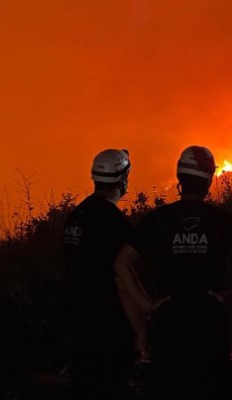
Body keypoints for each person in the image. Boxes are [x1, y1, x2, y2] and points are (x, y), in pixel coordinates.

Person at [114, 145, 232, 400]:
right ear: (208, 180)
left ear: (180, 179)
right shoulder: (221, 219)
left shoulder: (159, 219)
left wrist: (148, 305)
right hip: (211, 326)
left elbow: (121, 263)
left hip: (168, 326)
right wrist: (229, 298)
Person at [62, 149, 146, 400]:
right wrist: (141, 329)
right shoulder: (113, 221)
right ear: (122, 179)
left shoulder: (76, 215)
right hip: (108, 327)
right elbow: (122, 281)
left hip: (78, 322)